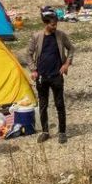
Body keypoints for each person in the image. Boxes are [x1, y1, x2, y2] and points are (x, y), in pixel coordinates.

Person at [28, 11, 74, 144]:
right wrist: (33, 70)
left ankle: (62, 132)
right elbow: (29, 54)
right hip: (41, 77)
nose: (55, 27)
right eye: (53, 25)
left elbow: (71, 49)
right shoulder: (37, 37)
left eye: (56, 24)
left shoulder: (60, 36)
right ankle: (45, 131)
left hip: (56, 76)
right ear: (45, 23)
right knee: (43, 105)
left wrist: (66, 64)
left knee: (60, 104)